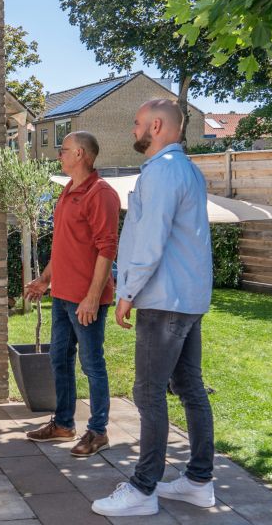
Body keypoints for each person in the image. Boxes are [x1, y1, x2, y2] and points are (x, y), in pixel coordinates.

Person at [91, 99, 215, 517]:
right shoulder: (188, 170)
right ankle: (199, 482)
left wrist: (127, 291)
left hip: (163, 300)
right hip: (187, 298)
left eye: (137, 123)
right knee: (190, 387)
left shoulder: (162, 172)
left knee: (148, 392)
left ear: (157, 126)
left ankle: (143, 489)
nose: (133, 130)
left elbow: (151, 238)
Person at [23, 131, 120, 458]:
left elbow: (107, 249)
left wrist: (93, 296)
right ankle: (64, 424)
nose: (59, 155)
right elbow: (64, 245)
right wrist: (44, 280)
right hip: (62, 295)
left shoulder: (101, 193)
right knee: (59, 359)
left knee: (92, 364)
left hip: (85, 300)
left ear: (80, 154)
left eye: (63, 150)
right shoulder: (67, 190)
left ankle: (98, 431)